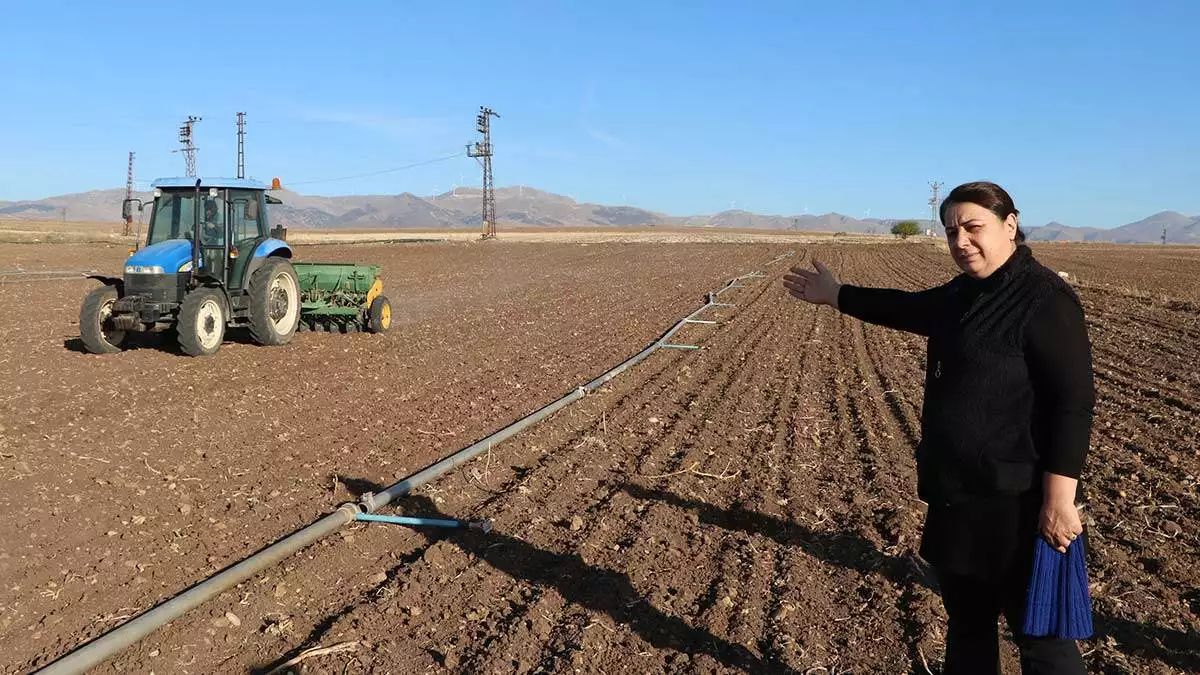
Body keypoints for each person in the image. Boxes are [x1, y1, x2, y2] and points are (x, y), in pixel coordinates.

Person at [782, 181, 1094, 674]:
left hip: (1018, 503)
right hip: (957, 497)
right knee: (968, 627)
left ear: (1009, 225)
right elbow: (907, 308)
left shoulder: (1045, 300)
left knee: (1043, 642)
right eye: (952, 232)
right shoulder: (964, 293)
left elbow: (1073, 406)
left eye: (974, 227)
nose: (961, 242)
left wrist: (1059, 500)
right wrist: (838, 295)